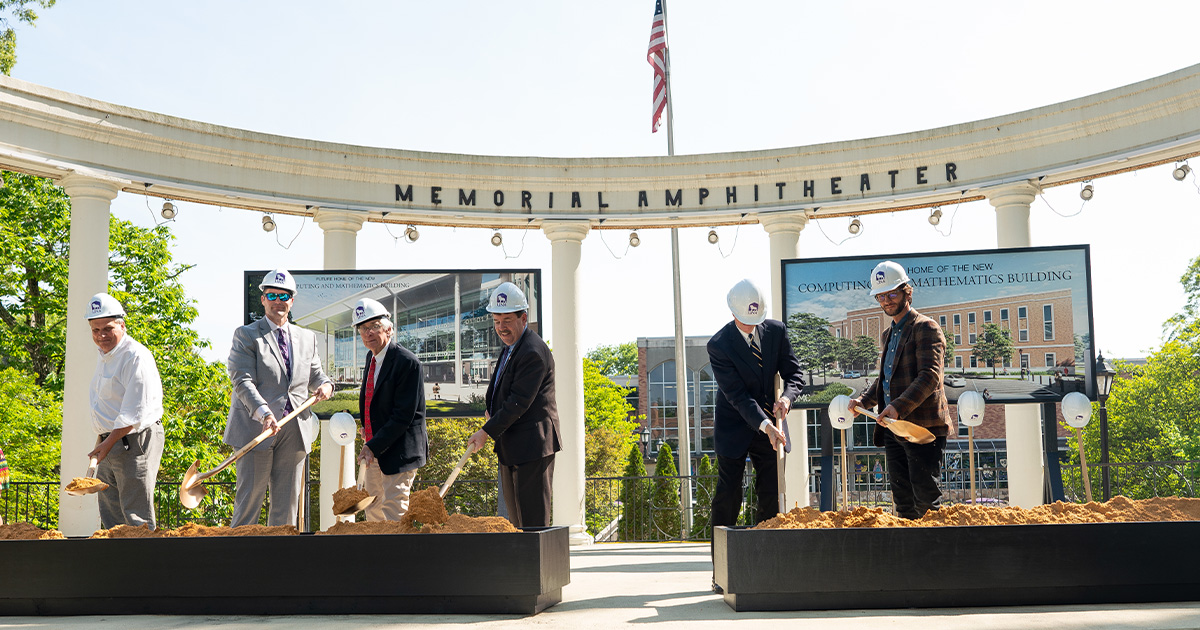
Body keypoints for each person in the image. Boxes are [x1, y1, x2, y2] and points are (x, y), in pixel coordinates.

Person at [225, 270, 333, 527]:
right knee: (249, 501)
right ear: (263, 299)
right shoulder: (246, 335)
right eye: (271, 295)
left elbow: (316, 375)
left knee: (286, 508)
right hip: (256, 429)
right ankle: (240, 562)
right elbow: (242, 380)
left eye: (283, 295)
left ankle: (279, 563)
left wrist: (326, 385)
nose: (278, 301)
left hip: (294, 430)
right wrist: (264, 413)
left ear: (291, 301)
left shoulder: (308, 338)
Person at [848, 261, 951, 520]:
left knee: (926, 501)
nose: (886, 300)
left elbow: (930, 377)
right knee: (903, 502)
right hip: (894, 429)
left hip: (921, 430)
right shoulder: (888, 334)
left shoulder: (926, 328)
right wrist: (863, 400)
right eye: (881, 296)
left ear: (908, 292)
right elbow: (885, 379)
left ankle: (933, 556)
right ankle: (912, 557)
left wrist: (897, 407)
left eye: (892, 293)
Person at [708, 279, 804, 530]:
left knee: (771, 493)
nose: (752, 326)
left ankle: (768, 561)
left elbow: (795, 375)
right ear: (733, 312)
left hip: (773, 425)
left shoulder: (776, 331)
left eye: (756, 320)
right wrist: (765, 425)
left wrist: (786, 398)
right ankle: (722, 565)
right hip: (735, 425)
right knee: (728, 496)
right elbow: (738, 396)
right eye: (746, 321)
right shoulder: (719, 345)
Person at [466, 282, 561, 528]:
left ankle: (536, 568)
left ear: (523, 317)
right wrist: (492, 412)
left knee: (532, 524)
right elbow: (502, 390)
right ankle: (524, 567)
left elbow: (519, 401)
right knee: (517, 524)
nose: (501, 328)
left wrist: (486, 431)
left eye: (507, 320)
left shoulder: (532, 351)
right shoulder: (511, 347)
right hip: (514, 446)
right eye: (496, 321)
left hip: (532, 447)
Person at [84, 293, 165, 529]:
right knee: (110, 513)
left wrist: (106, 444)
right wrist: (103, 441)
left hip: (134, 439)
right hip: (110, 440)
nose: (101, 336)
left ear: (122, 324)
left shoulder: (135, 356)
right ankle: (114, 565)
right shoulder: (105, 356)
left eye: (107, 328)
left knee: (135, 514)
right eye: (95, 330)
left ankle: (142, 565)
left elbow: (133, 413)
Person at [352, 298, 428, 521]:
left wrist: (372, 445)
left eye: (374, 326)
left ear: (389, 329)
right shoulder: (371, 357)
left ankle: (398, 557)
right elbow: (374, 401)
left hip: (399, 452)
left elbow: (402, 415)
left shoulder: (408, 362)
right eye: (363, 328)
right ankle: (377, 557)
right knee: (373, 509)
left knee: (394, 512)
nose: (368, 333)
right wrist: (368, 429)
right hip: (375, 450)